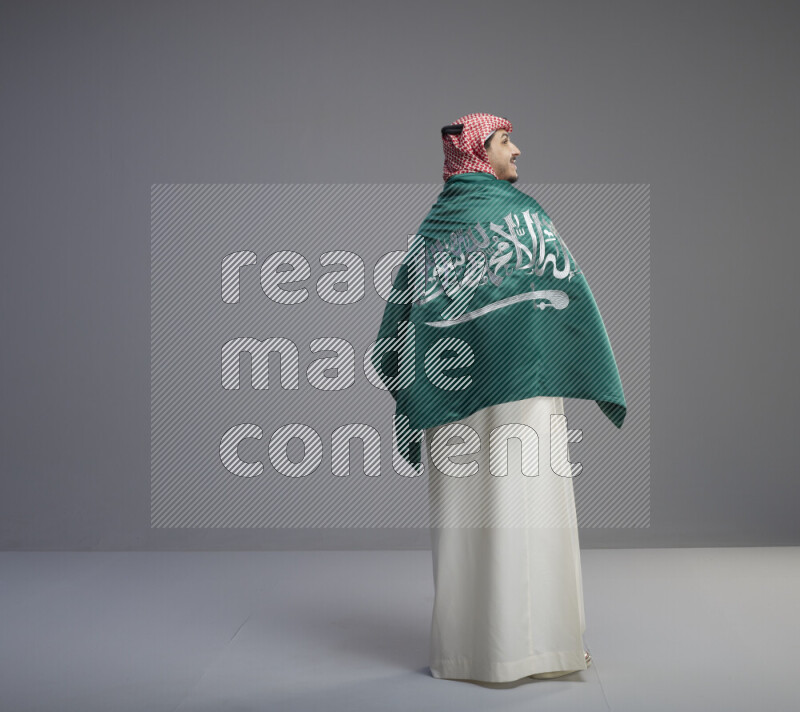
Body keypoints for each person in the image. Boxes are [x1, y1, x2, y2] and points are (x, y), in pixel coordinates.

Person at [370, 112, 625, 682]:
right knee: (528, 508)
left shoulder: (435, 226)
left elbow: (406, 314)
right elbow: (562, 291)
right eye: (507, 141)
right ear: (480, 153)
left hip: (454, 397)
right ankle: (543, 649)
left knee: (467, 521)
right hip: (522, 394)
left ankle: (470, 654)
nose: (519, 151)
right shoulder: (524, 218)